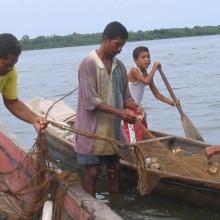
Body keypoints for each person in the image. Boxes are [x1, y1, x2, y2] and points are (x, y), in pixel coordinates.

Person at [75, 22, 145, 196]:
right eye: (117, 44)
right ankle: (89, 211)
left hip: (112, 131)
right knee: (92, 173)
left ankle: (115, 209)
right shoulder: (88, 64)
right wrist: (120, 113)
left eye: (122, 45)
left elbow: (125, 97)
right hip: (90, 131)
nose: (120, 49)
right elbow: (92, 101)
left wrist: (136, 108)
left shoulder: (119, 67)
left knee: (115, 171)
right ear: (105, 40)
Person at [124, 46, 178, 142]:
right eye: (143, 57)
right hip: (128, 109)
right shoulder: (134, 70)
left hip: (137, 108)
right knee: (132, 138)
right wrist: (154, 68)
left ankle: (141, 151)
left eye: (148, 57)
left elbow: (157, 94)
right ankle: (132, 150)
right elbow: (145, 81)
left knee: (143, 133)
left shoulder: (146, 74)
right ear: (136, 60)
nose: (147, 59)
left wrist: (172, 103)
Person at [0, 33, 47, 133]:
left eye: (13, 64)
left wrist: (35, 119)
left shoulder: (10, 72)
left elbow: (12, 102)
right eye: (7, 64)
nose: (10, 68)